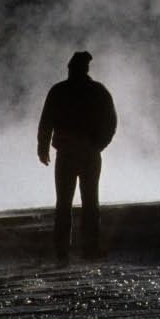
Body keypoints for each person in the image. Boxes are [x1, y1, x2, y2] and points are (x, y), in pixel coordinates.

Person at [37, 51, 117, 264]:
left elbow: (46, 122)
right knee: (84, 202)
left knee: (71, 203)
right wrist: (98, 145)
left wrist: (43, 147)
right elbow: (110, 122)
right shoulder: (95, 91)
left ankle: (66, 250)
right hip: (83, 152)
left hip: (76, 153)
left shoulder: (61, 91)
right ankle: (83, 248)